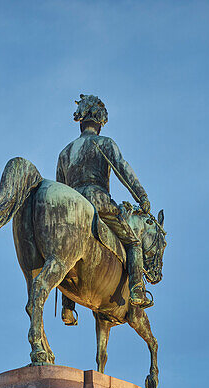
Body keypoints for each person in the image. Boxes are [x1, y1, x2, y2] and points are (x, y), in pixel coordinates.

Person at [56, 94, 152, 325]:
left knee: (62, 249)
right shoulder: (105, 143)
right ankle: (138, 291)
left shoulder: (65, 153)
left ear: (81, 121)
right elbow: (123, 171)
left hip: (71, 204)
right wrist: (142, 197)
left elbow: (60, 187)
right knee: (134, 243)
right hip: (98, 201)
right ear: (99, 121)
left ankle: (68, 307)